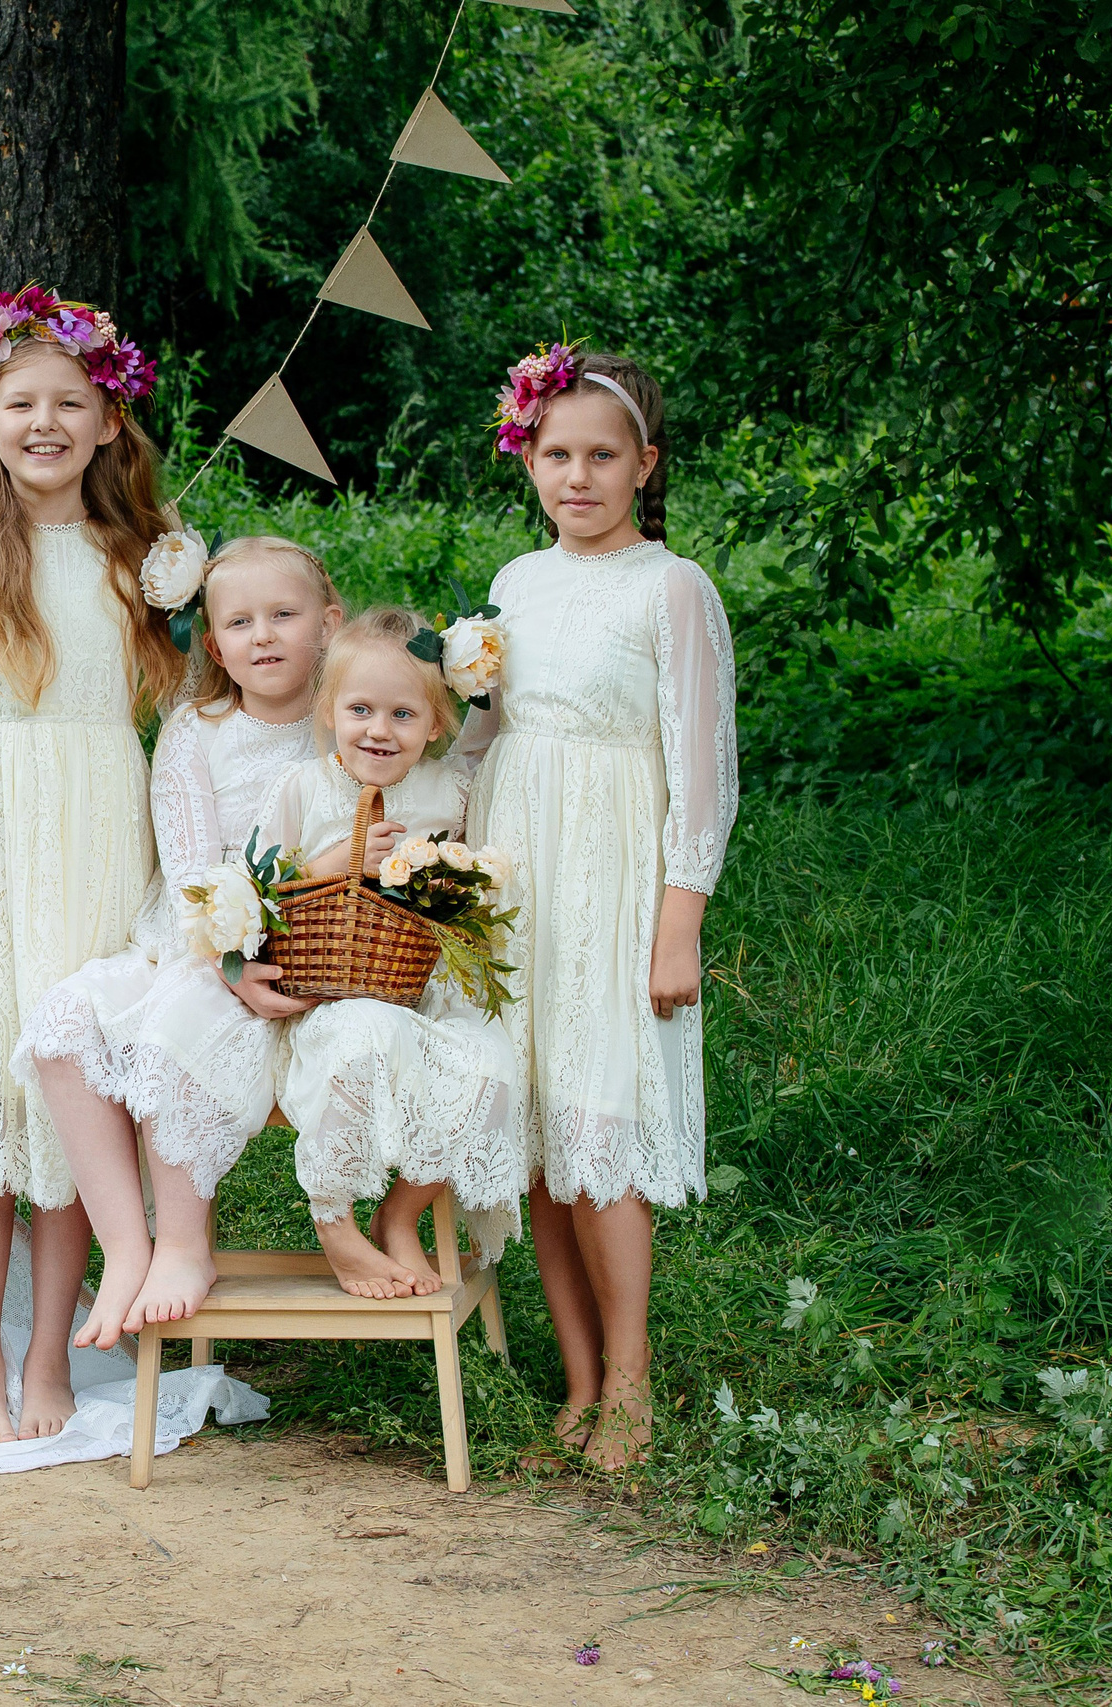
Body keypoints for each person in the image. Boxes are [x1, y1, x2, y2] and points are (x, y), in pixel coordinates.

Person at [0, 285, 188, 1442]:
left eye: (72, 402)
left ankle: (51, 1356)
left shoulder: (148, 560)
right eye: (22, 403)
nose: (47, 422)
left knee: (79, 1103)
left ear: (109, 423)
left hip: (105, 834)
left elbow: (195, 719)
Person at [460, 344, 738, 1468]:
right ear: (527, 458)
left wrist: (681, 920)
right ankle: (574, 1383)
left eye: (601, 457)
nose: (575, 476)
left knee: (600, 1126)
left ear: (644, 465)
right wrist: (441, 844)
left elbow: (703, 767)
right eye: (554, 453)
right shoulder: (520, 580)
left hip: (617, 867)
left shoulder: (669, 587)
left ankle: (630, 1380)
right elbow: (486, 730)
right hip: (520, 863)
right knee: (537, 1140)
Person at [19, 536, 343, 1347]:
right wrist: (231, 962)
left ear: (329, 624)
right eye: (239, 621)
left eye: (283, 615)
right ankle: (128, 1247)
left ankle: (184, 1245)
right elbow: (196, 874)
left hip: (311, 951)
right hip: (198, 942)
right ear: (212, 640)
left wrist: (260, 966)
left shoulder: (346, 724)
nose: (262, 635)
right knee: (62, 1025)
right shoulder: (194, 729)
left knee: (170, 1033)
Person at [255, 608, 528, 1300]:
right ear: (328, 710)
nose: (379, 730)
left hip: (420, 989)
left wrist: (446, 879)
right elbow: (258, 887)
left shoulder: (449, 792)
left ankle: (399, 1210)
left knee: (494, 1062)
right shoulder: (306, 788)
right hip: (332, 994)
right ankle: (335, 1221)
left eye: (403, 714)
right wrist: (333, 861)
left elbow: (469, 889)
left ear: (436, 724)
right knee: (366, 1033)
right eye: (361, 709)